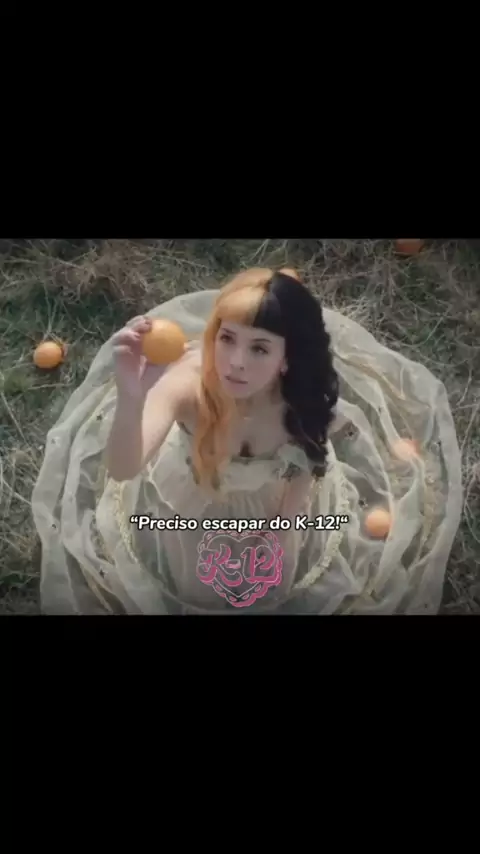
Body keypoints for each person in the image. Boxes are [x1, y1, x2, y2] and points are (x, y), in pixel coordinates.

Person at [31, 267, 463, 615]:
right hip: (189, 502)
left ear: (286, 359)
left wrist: (280, 532)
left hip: (272, 503)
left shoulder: (301, 404)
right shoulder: (187, 384)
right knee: (195, 584)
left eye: (259, 349)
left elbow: (305, 468)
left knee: (278, 576)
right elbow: (123, 468)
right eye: (227, 339)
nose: (235, 363)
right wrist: (133, 397)